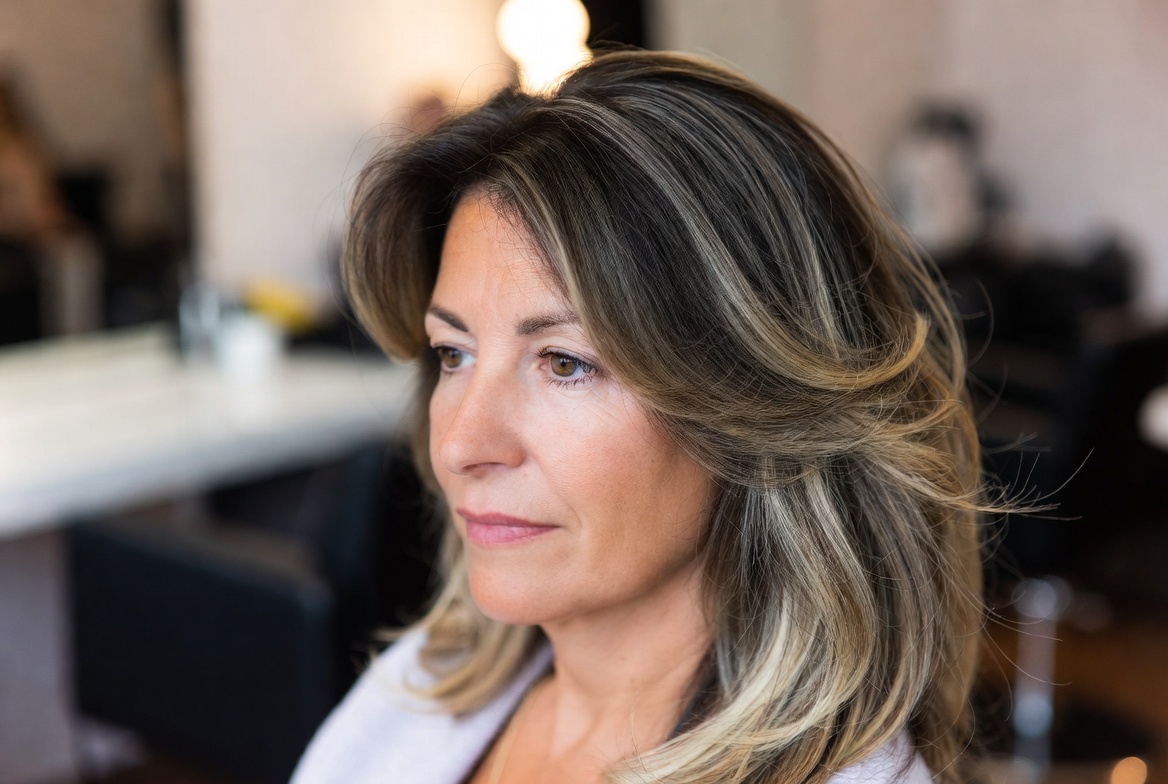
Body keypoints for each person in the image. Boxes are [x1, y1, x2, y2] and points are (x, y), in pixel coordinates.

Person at [293, 50, 986, 784]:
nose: (463, 445)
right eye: (453, 354)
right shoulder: (417, 693)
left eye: (566, 363)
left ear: (753, 410)